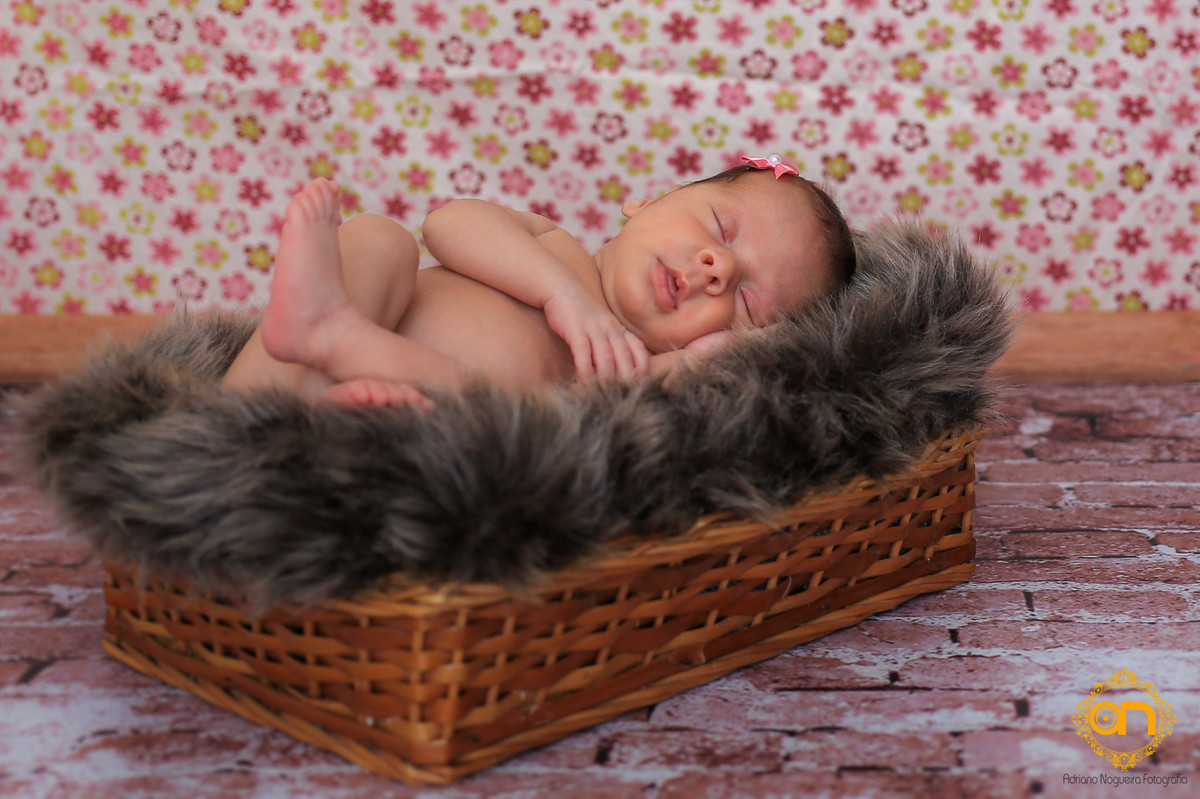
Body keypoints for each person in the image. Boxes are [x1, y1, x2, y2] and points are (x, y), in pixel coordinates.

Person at [220, 155, 856, 407]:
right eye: (721, 227)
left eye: (748, 301)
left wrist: (723, 352)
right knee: (378, 237)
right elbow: (448, 224)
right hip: (355, 323)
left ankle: (326, 373)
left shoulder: (628, 370)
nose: (718, 268)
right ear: (651, 200)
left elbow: (706, 383)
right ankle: (297, 352)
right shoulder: (557, 250)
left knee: (482, 414)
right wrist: (563, 294)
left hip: (410, 408)